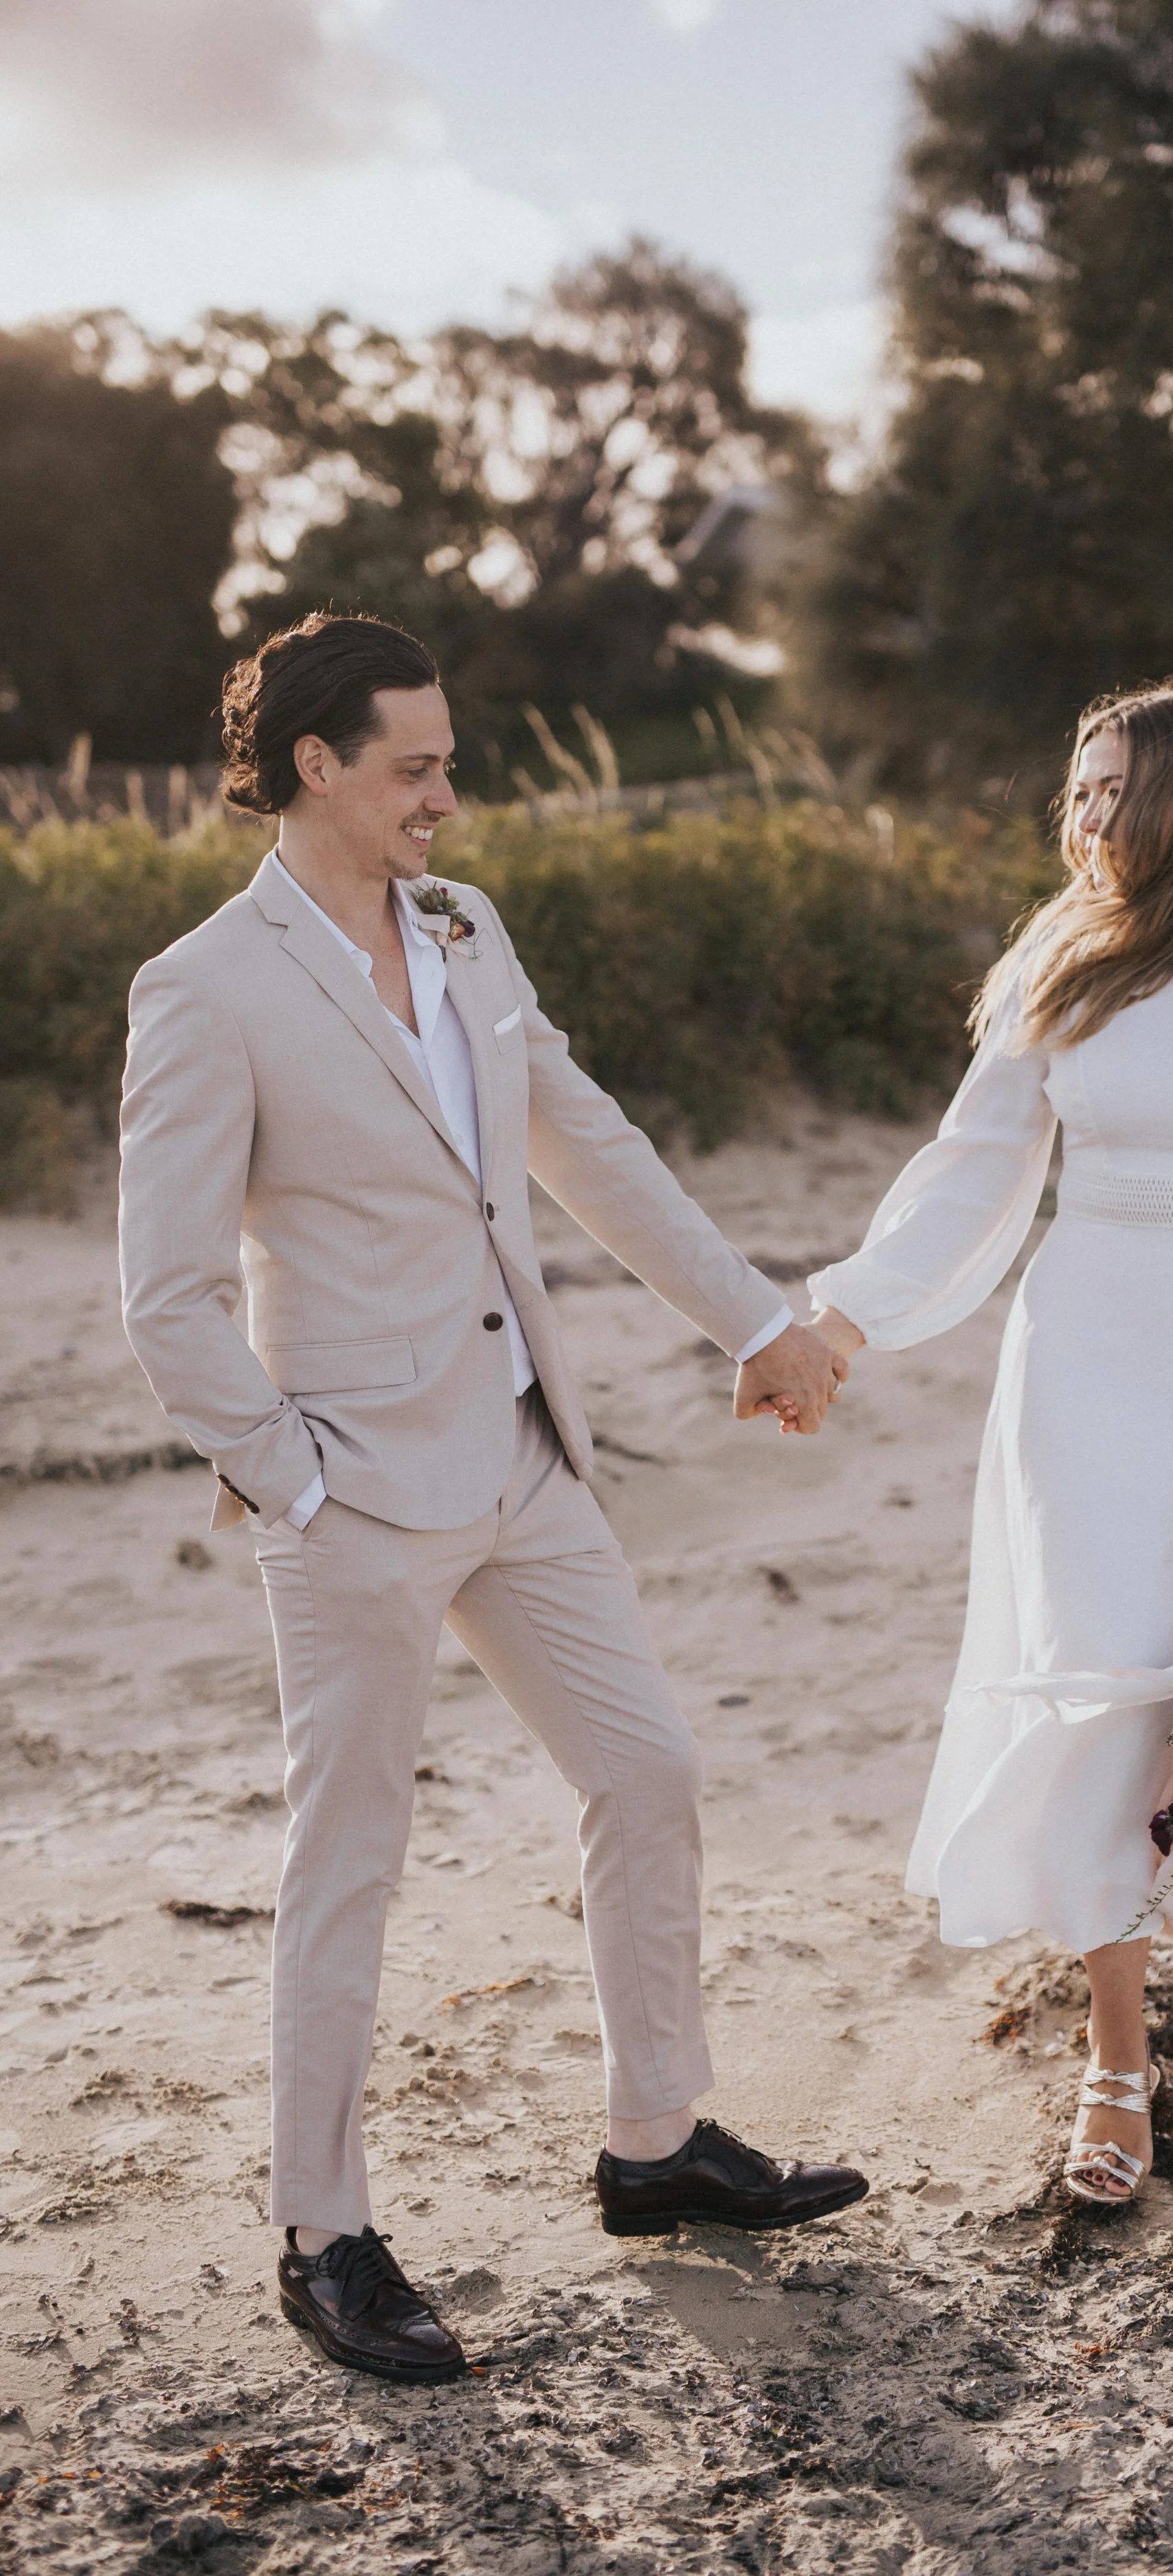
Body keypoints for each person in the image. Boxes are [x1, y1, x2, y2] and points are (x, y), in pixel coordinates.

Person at [118, 612, 866, 2386]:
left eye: (446, 764)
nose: (445, 796)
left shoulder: (463, 924)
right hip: (352, 1491)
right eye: (416, 767)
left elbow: (580, 1136)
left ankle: (653, 2142)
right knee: (349, 1859)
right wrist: (296, 1483)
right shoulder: (205, 985)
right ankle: (322, 2233)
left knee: (647, 1767)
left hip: (522, 1448)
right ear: (315, 765)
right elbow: (164, 1295)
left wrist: (756, 1321)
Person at [807, 677, 1173, 2203]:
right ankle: (1112, 2056)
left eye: (1106, 788)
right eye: (1073, 789)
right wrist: (843, 1318)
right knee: (1100, 1692)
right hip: (1082, 1371)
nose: (1078, 817)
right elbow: (972, 1167)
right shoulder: (1058, 959)